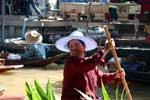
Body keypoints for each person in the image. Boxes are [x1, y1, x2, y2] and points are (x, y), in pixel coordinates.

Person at [55, 31, 125, 100]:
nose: (73, 48)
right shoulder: (70, 62)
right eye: (70, 46)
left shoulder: (90, 64)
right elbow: (87, 64)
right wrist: (106, 49)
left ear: (84, 47)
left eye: (76, 45)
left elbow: (100, 79)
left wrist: (116, 75)